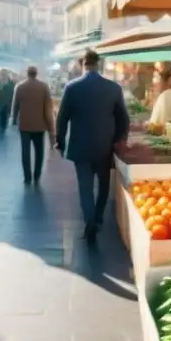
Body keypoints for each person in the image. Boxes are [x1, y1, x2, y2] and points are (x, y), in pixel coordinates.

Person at [55, 50, 130, 243]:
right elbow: (123, 118)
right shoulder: (113, 88)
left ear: (82, 64)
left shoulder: (72, 87)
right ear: (99, 64)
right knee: (104, 185)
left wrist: (60, 141)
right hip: (105, 146)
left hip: (80, 145)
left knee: (85, 186)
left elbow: (62, 118)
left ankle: (89, 220)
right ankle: (98, 217)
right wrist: (120, 139)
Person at [12, 65, 55, 184]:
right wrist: (51, 127)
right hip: (40, 125)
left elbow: (15, 105)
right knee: (39, 151)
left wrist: (14, 119)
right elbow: (48, 109)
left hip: (24, 124)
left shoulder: (19, 87)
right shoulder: (44, 87)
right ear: (36, 74)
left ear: (27, 74)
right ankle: (37, 175)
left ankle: (27, 176)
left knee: (25, 152)